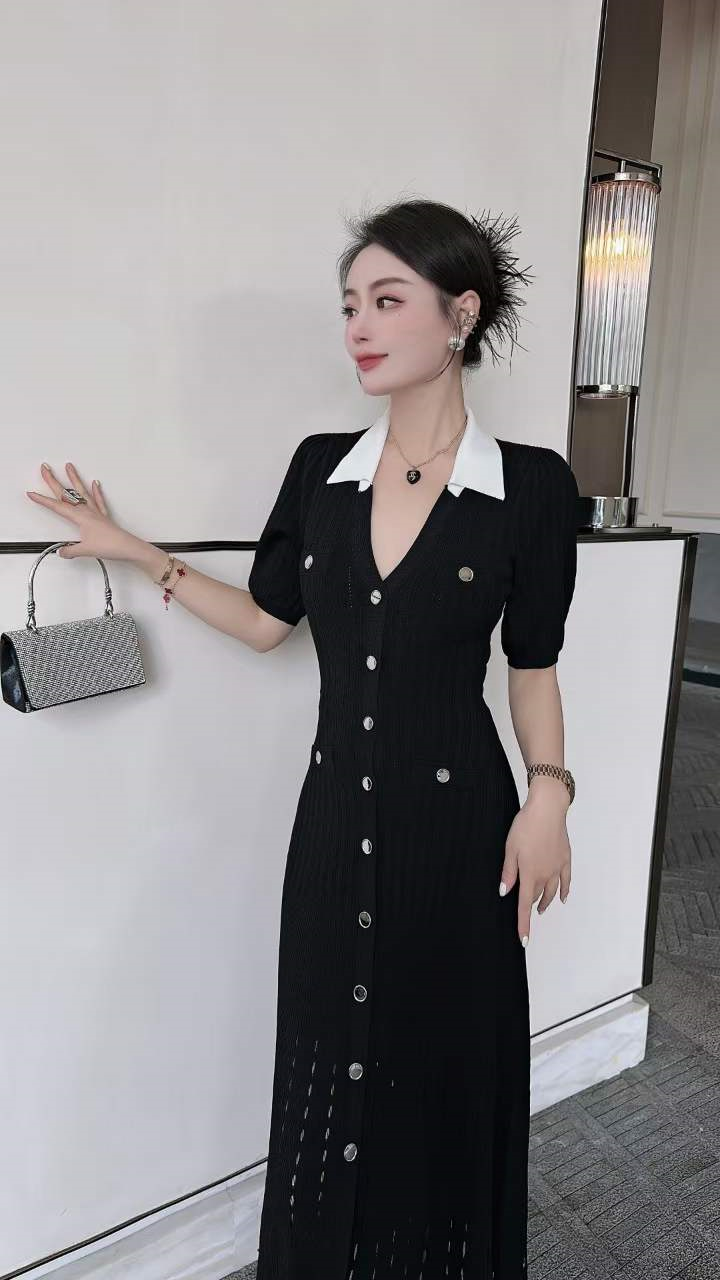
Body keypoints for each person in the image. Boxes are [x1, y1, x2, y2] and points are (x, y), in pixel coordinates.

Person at [26, 197, 579, 1279]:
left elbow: (532, 665)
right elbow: (268, 621)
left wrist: (549, 793)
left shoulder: (531, 486)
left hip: (462, 830)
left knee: (443, 1063)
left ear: (461, 313)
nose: (358, 326)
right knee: (333, 1060)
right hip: (331, 831)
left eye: (387, 300)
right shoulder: (323, 468)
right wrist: (133, 550)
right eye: (348, 305)